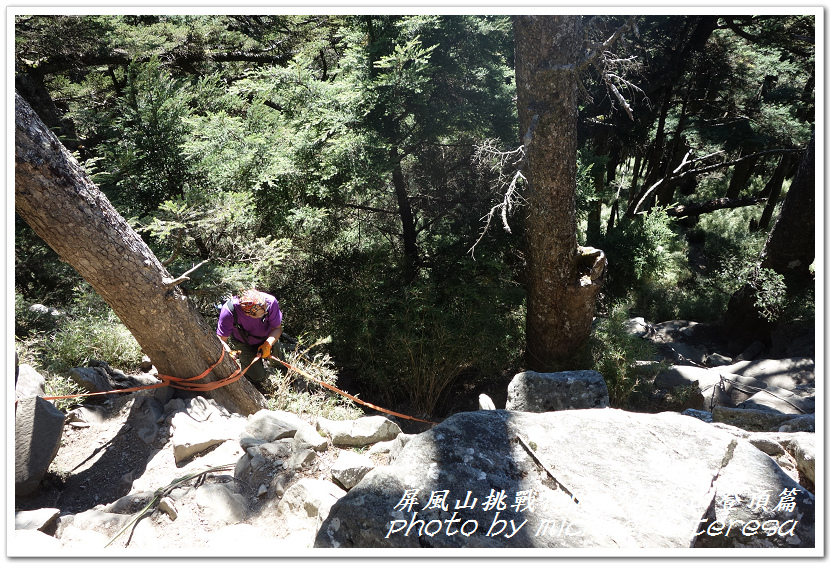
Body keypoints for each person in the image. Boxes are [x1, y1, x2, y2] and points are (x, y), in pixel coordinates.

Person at [216, 288, 283, 387]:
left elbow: (277, 328)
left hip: (267, 337)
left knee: (279, 362)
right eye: (262, 313)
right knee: (258, 378)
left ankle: (282, 371)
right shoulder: (229, 311)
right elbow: (221, 339)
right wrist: (229, 352)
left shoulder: (270, 302)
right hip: (243, 342)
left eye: (266, 309)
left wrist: (268, 344)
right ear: (248, 314)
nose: (266, 312)